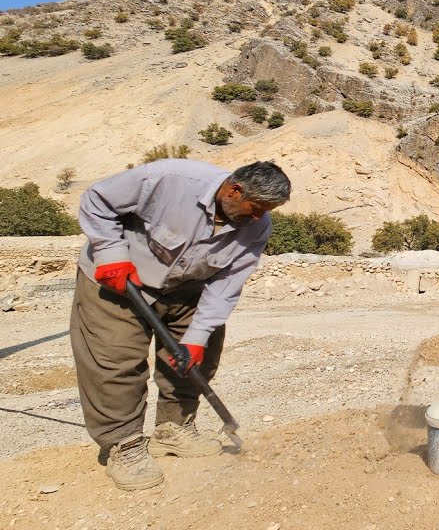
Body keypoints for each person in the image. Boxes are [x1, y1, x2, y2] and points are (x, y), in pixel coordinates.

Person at [71, 159, 291, 490]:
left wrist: (197, 338)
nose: (260, 217)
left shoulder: (257, 227)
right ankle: (124, 445)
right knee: (115, 361)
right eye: (257, 208)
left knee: (196, 357)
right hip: (118, 279)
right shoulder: (168, 179)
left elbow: (226, 286)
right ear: (234, 190)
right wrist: (109, 251)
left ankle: (173, 429)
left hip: (188, 285)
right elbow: (97, 199)